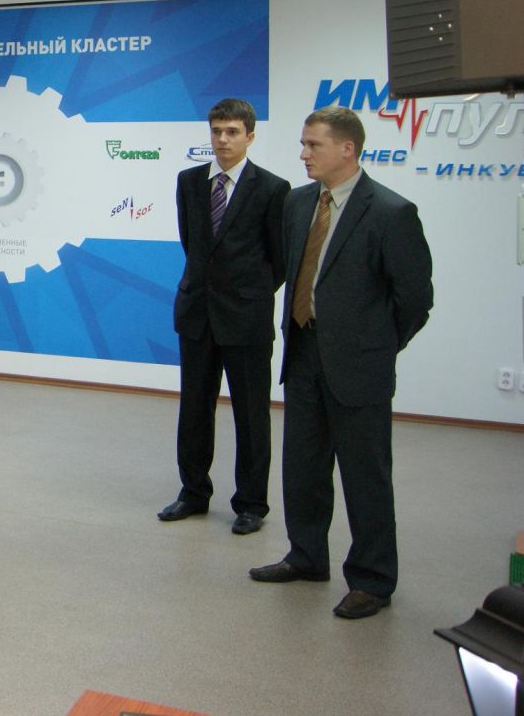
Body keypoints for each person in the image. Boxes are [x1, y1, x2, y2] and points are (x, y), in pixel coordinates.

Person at [249, 107, 433, 620]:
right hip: (303, 354)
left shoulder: (391, 212)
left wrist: (377, 346)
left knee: (365, 477)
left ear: (347, 149)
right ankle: (306, 556)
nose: (303, 154)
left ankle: (372, 580)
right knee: (303, 468)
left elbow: (415, 300)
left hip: (359, 366)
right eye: (303, 144)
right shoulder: (297, 203)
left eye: (313, 145)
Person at [158, 98, 289, 536]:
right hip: (197, 314)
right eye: (216, 131)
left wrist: (247, 293)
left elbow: (278, 259)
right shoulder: (189, 182)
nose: (223, 140)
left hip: (246, 318)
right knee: (194, 409)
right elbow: (192, 244)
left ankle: (251, 503)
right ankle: (193, 492)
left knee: (251, 415)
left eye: (232, 132)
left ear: (250, 136)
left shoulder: (272, 188)